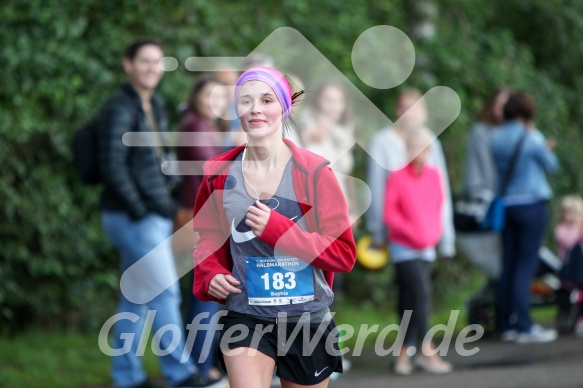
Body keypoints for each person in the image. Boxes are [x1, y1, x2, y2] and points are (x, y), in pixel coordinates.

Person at [191, 66, 356, 388]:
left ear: (284, 107)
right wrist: (211, 273)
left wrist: (280, 232)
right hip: (246, 315)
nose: (255, 109)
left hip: (306, 318)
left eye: (266, 100)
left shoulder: (314, 173)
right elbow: (208, 237)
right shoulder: (219, 174)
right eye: (246, 100)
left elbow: (343, 253)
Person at [97, 38, 223, 388]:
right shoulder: (120, 108)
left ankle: (127, 376)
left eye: (158, 61)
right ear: (128, 64)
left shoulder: (154, 105)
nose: (152, 67)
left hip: (151, 213)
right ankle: (181, 374)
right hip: (133, 216)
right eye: (145, 61)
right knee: (165, 290)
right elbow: (113, 165)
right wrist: (141, 208)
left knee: (135, 298)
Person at [490, 91, 559, 344]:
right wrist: (545, 147)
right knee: (525, 265)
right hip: (531, 204)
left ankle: (506, 322)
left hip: (506, 205)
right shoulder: (531, 136)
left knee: (508, 264)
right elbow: (551, 164)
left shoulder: (495, 137)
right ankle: (525, 326)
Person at [384, 127, 453, 375]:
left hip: (426, 247)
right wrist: (412, 234)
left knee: (409, 301)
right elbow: (390, 214)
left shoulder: (434, 175)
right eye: (413, 147)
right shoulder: (397, 177)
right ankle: (426, 349)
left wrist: (432, 234)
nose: (418, 152)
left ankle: (402, 355)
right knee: (421, 294)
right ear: (406, 150)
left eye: (423, 147)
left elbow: (437, 207)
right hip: (404, 248)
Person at [175, 75, 230, 382]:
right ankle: (201, 367)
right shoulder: (195, 127)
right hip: (201, 221)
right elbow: (213, 172)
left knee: (204, 292)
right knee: (206, 292)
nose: (214, 102)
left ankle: (201, 363)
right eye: (209, 95)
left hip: (205, 219)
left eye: (220, 97)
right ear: (196, 96)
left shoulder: (207, 127)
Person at [366, 88, 456, 255]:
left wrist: (446, 238)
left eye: (415, 108)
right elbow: (376, 187)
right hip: (396, 233)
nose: (410, 114)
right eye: (405, 108)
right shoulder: (383, 142)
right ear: (397, 111)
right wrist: (377, 232)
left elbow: (440, 193)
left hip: (426, 234)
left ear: (424, 113)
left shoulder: (431, 141)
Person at [299, 81, 359, 228]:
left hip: (340, 206)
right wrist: (309, 138)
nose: (334, 106)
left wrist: (352, 206)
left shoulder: (344, 133)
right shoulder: (307, 128)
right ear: (318, 101)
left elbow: (346, 174)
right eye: (328, 100)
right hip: (317, 209)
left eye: (339, 101)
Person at [463, 87, 511, 200]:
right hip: (482, 194)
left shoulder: (512, 134)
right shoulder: (482, 132)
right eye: (497, 103)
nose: (500, 108)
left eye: (505, 105)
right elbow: (485, 168)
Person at [554, 195, 583, 260]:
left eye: (577, 213)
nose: (574, 216)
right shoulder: (561, 229)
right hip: (565, 261)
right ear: (563, 214)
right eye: (571, 213)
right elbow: (569, 242)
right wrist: (576, 229)